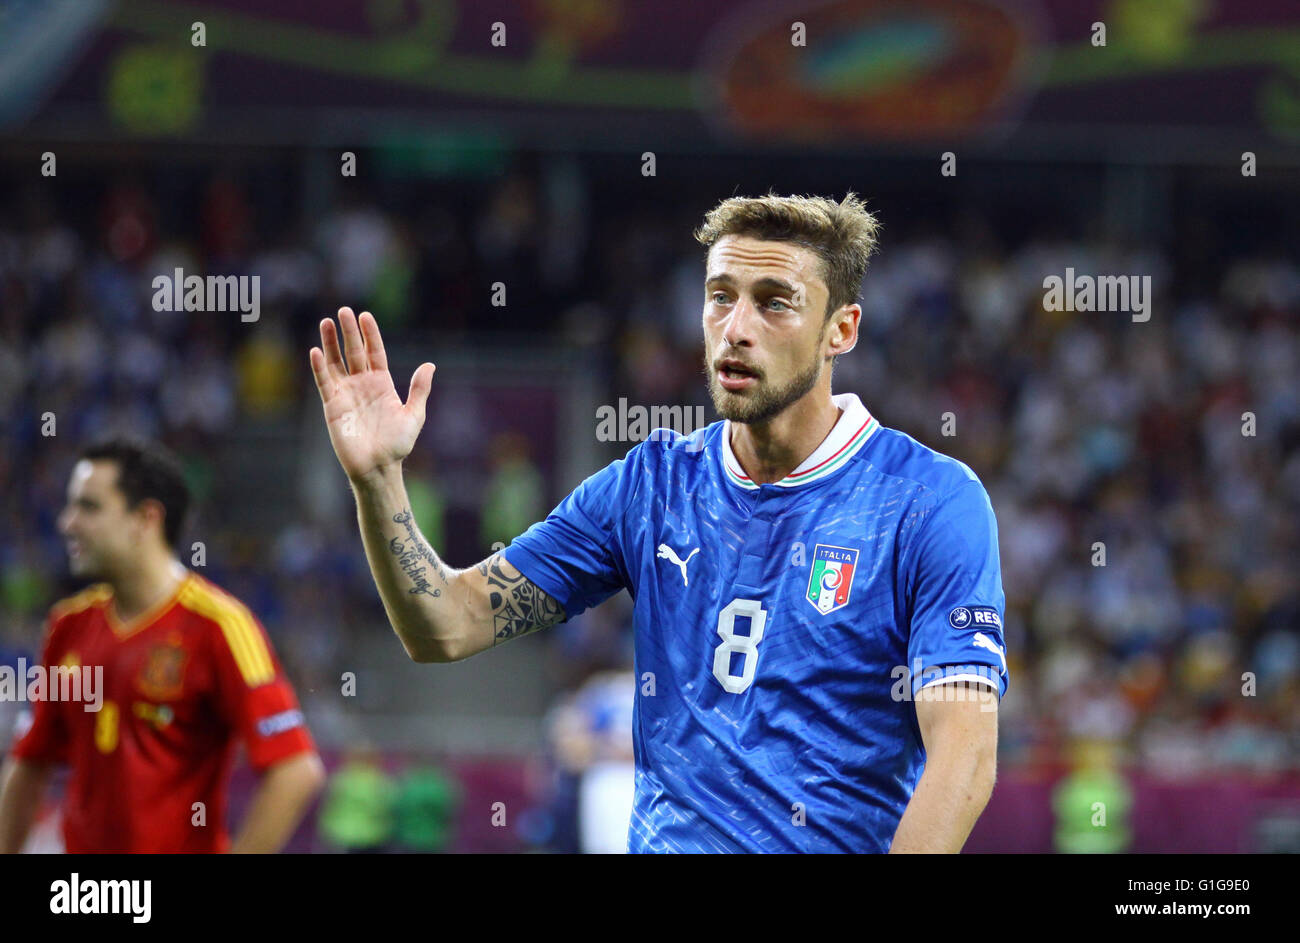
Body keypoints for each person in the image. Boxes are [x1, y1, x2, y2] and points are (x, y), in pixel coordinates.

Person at [307, 191, 1007, 853]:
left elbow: (964, 754)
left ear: (841, 329)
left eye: (775, 304)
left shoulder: (928, 500)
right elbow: (447, 624)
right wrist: (378, 481)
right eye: (720, 297)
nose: (736, 329)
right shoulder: (650, 486)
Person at [0, 438, 325, 853]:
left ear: (145, 518)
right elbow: (29, 761)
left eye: (89, 507)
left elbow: (296, 771)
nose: (67, 523)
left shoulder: (220, 627)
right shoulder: (68, 626)